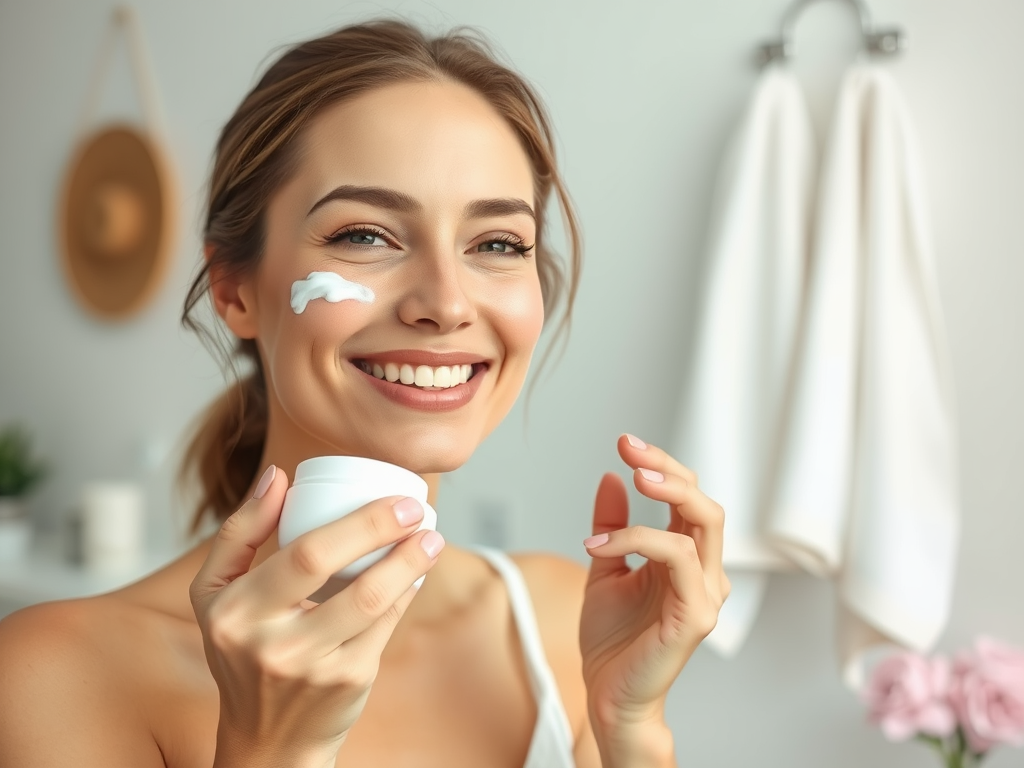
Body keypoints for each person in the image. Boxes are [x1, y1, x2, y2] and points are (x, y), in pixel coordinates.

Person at [0, 18, 728, 768]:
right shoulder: (53, 676)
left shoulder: (563, 620)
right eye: (365, 235)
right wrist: (270, 750)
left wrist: (634, 728)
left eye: (497, 245)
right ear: (234, 287)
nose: (446, 303)